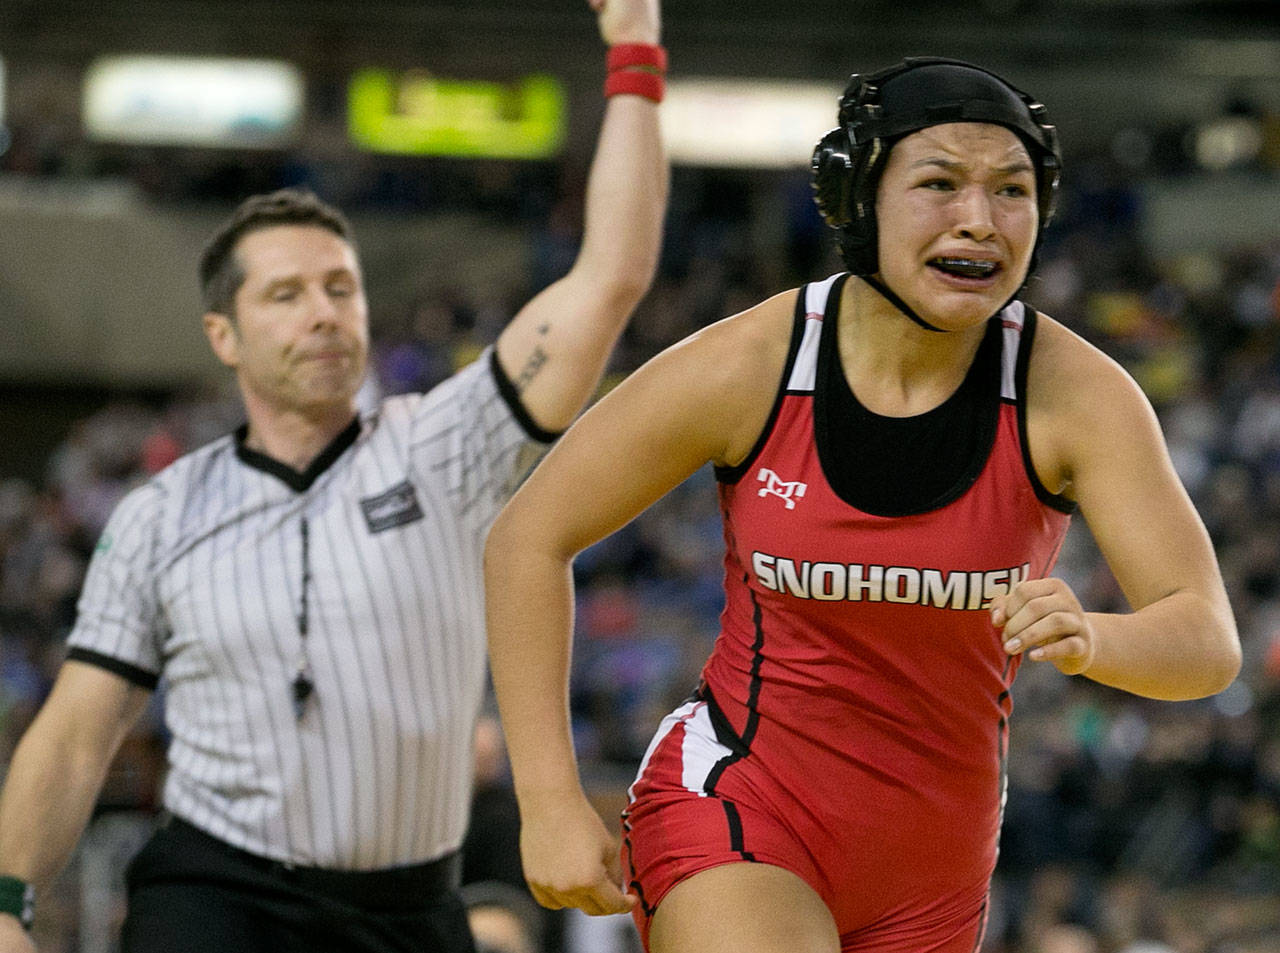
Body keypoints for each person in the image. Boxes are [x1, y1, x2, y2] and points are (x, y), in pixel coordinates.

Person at [483, 58, 1242, 953]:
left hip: (937, 861)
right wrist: (547, 799)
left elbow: (1206, 642)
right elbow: (526, 537)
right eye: (939, 183)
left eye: (1012, 190)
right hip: (737, 803)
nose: (981, 219)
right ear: (855, 198)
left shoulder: (1076, 394)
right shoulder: (756, 362)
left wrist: (1096, 636)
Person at [0, 0, 667, 948]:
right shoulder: (160, 513)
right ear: (222, 336)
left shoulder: (448, 441)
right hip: (215, 894)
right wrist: (7, 901)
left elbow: (610, 277)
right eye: (286, 293)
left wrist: (635, 52)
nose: (323, 312)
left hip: (409, 905)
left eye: (340, 287)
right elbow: (77, 731)